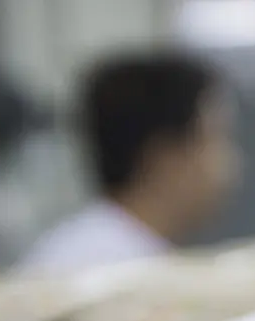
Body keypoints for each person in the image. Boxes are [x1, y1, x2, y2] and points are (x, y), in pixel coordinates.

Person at [19, 52, 240, 274]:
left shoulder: (123, 251)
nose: (233, 162)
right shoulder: (100, 266)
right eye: (217, 139)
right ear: (165, 158)